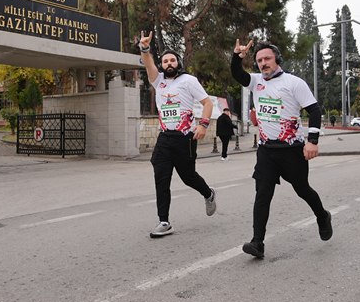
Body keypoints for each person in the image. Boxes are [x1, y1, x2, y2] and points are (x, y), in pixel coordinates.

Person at [231, 39, 332, 258]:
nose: (263, 63)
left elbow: (314, 111)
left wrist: (312, 141)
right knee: (262, 194)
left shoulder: (294, 83)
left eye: (267, 58)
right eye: (259, 60)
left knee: (302, 189)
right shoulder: (256, 81)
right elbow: (237, 74)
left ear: (277, 59)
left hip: (292, 150)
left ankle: (322, 216)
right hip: (267, 150)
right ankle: (257, 243)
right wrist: (237, 57)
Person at [138, 30, 217, 238]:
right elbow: (148, 64)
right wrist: (145, 48)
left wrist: (203, 125)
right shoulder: (158, 80)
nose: (169, 63)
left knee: (188, 177)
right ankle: (164, 221)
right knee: (161, 179)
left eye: (172, 60)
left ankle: (208, 193)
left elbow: (207, 103)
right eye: (165, 61)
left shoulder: (189, 80)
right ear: (162, 65)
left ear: (178, 62)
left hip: (185, 138)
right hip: (165, 138)